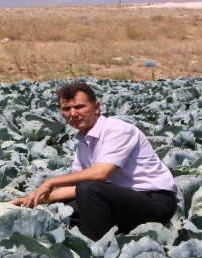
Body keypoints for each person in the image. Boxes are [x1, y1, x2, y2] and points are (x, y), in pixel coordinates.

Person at [11, 82, 178, 241]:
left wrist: (51, 182)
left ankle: (95, 251)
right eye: (66, 109)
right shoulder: (84, 140)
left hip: (154, 203)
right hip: (122, 203)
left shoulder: (118, 130)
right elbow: (74, 189)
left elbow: (100, 174)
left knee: (89, 188)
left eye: (79, 107)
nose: (73, 114)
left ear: (96, 107)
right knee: (63, 211)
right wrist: (30, 201)